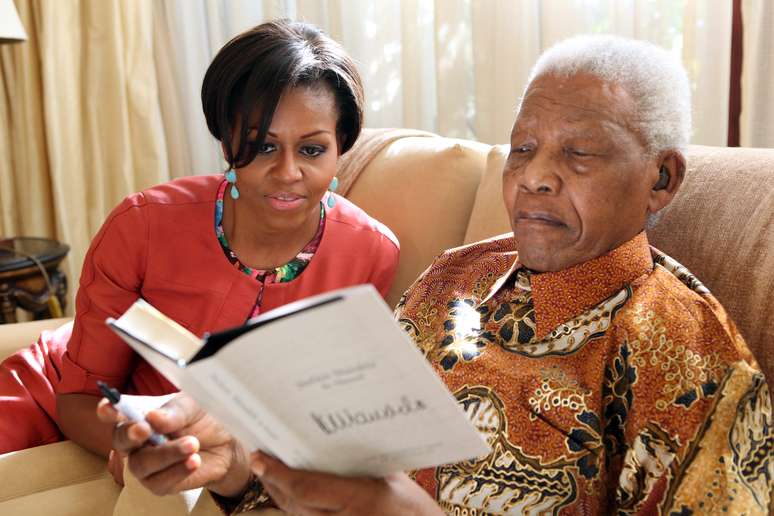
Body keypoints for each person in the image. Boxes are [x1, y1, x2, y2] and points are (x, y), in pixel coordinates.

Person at [98, 35, 772, 515]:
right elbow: (337, 452)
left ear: (662, 179)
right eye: (524, 148)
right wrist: (232, 465)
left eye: (581, 153)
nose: (535, 176)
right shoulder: (455, 280)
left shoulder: (688, 358)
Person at [0, 20, 399, 460]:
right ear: (227, 144)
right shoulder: (142, 224)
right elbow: (77, 399)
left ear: (340, 145)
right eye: (263, 147)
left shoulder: (371, 253)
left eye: (311, 150)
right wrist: (143, 451)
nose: (288, 173)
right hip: (56, 402)